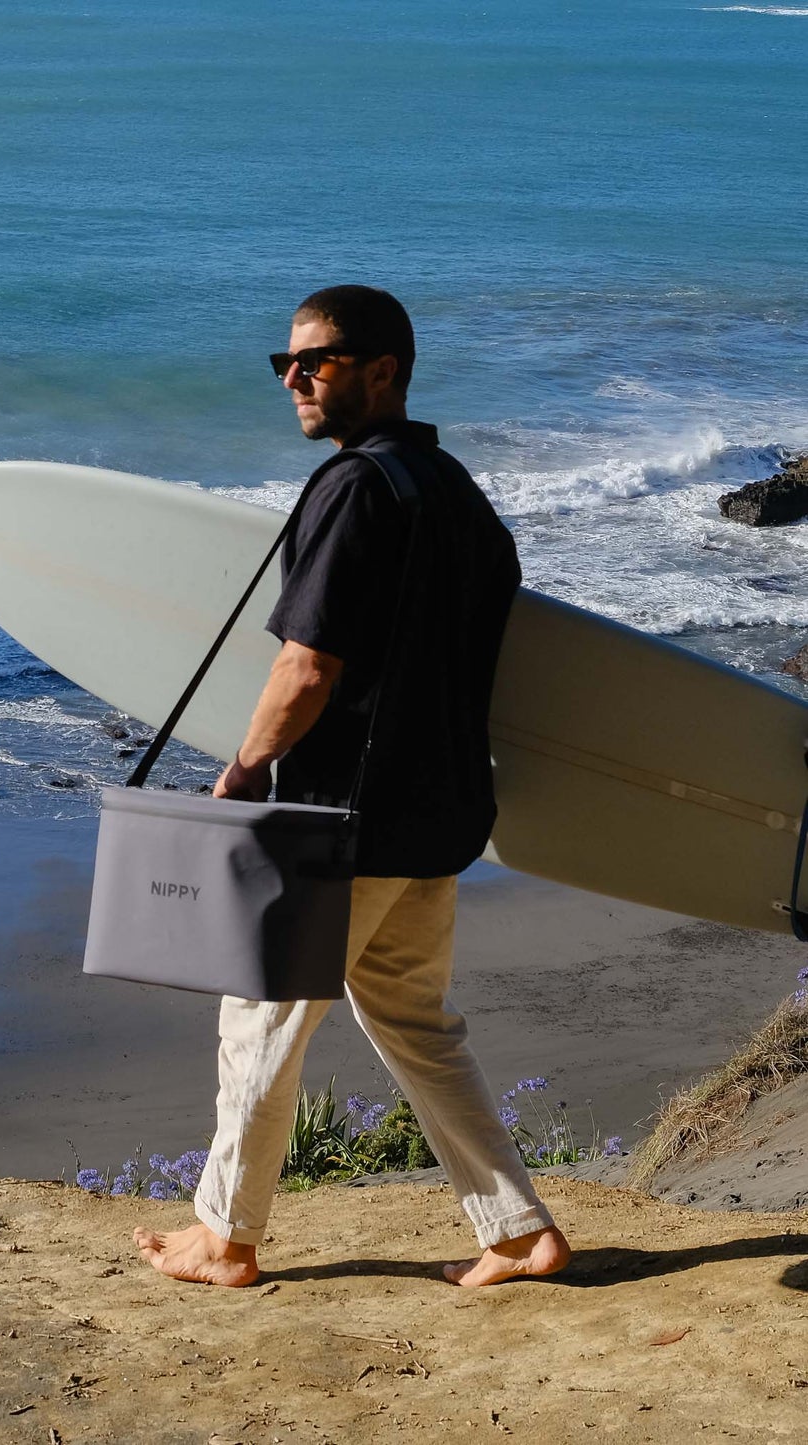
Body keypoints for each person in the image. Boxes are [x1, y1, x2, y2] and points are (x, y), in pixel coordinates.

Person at [133, 285, 572, 1289]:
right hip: (438, 811)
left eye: (314, 360)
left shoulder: (351, 489)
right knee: (413, 1023)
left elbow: (307, 665)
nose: (292, 377)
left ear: (381, 370)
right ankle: (515, 1228)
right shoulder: (454, 492)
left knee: (257, 1014)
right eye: (282, 361)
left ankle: (224, 1237)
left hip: (346, 817)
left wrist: (244, 770)